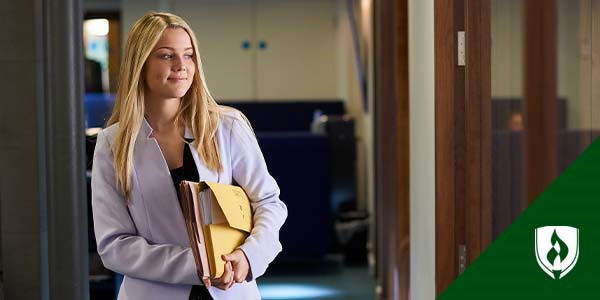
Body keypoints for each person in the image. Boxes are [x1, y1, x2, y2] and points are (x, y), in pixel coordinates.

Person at [91, 12, 287, 300]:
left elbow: (269, 204)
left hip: (232, 288)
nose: (182, 66)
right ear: (141, 63)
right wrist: (199, 265)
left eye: (189, 55)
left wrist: (247, 257)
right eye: (167, 56)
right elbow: (114, 245)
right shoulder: (113, 143)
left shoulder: (227, 127)